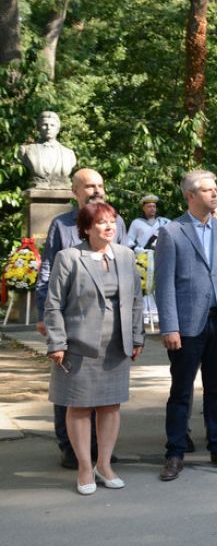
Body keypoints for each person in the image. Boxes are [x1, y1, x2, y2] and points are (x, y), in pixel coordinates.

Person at [43, 201, 144, 494]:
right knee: (79, 406)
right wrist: (57, 341)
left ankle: (105, 464)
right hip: (78, 345)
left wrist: (137, 337)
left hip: (117, 343)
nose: (109, 226)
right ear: (87, 228)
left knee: (111, 405)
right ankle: (85, 468)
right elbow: (53, 305)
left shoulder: (125, 256)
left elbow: (135, 299)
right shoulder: (69, 257)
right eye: (101, 222)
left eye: (112, 220)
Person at [155, 170, 217, 480]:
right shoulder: (172, 232)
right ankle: (175, 452)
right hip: (186, 326)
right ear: (190, 196)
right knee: (181, 391)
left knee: (216, 389)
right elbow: (164, 284)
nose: (215, 194)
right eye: (207, 190)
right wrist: (169, 326)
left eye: (215, 189)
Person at [36, 168, 128, 469]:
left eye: (100, 185)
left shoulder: (118, 223)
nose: (96, 190)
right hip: (72, 316)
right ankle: (69, 447)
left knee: (105, 392)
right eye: (89, 186)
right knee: (71, 389)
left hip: (108, 325)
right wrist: (44, 314)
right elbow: (49, 268)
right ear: (75, 191)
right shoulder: (61, 224)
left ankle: (100, 451)